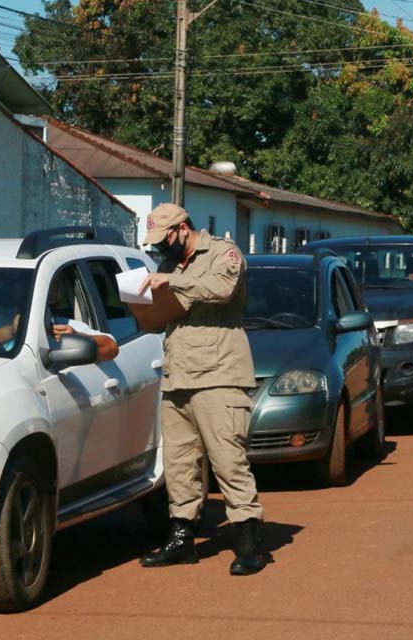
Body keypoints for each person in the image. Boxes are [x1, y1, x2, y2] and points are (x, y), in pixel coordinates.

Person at [137, 203, 265, 576]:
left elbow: (222, 289)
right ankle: (182, 538)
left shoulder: (224, 253)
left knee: (229, 462)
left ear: (181, 229)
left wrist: (171, 282)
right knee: (179, 465)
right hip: (177, 377)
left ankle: (249, 543)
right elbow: (166, 314)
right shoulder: (170, 266)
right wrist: (143, 308)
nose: (161, 249)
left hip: (219, 377)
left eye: (164, 240)